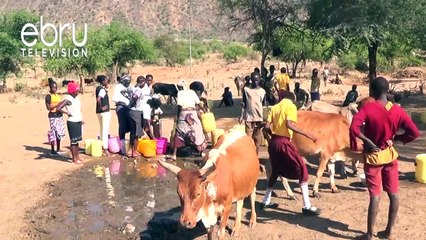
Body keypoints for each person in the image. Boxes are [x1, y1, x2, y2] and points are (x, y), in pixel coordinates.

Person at [350, 77, 419, 240]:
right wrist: (396, 139)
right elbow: (414, 133)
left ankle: (369, 235)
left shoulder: (368, 108)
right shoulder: (397, 110)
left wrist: (367, 141)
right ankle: (388, 231)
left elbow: (354, 128)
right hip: (390, 156)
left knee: (375, 195)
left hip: (374, 157)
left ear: (372, 91)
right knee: (393, 193)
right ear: (387, 90)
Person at [262, 91, 320, 216]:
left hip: (274, 143)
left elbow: (266, 126)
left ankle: (266, 201)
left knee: (275, 171)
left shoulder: (274, 108)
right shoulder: (291, 106)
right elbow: (289, 124)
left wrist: (272, 136)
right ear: (291, 99)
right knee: (302, 168)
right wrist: (307, 134)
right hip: (284, 142)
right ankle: (307, 206)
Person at [168, 80, 207, 160]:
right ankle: (201, 152)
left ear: (181, 87)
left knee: (179, 131)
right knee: (197, 130)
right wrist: (204, 110)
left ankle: (174, 154)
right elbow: (198, 103)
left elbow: (179, 106)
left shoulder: (180, 93)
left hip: (184, 112)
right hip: (193, 113)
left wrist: (179, 116)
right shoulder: (192, 92)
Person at [56, 82, 83, 165]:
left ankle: (77, 156)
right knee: (73, 141)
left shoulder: (76, 98)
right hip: (72, 122)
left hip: (78, 120)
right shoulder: (68, 99)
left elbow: (78, 110)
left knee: (77, 140)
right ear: (72, 91)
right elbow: (58, 108)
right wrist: (67, 112)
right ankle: (74, 158)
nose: (78, 91)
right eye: (77, 90)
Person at [239, 72, 266, 154]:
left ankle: (255, 157)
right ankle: (249, 157)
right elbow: (244, 103)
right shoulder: (246, 90)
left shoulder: (262, 91)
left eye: (257, 80)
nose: (255, 82)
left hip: (259, 119)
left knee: (257, 141)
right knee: (248, 141)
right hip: (249, 118)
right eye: (253, 80)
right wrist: (241, 115)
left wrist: (264, 119)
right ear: (251, 80)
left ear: (259, 80)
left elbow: (264, 105)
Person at [45, 78, 66, 156]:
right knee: (53, 133)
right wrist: (58, 104)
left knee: (59, 133)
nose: (55, 89)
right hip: (53, 116)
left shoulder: (57, 95)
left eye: (56, 87)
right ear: (50, 87)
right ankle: (52, 150)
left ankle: (58, 148)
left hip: (59, 115)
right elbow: (48, 107)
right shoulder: (48, 96)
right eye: (53, 87)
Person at [112, 75, 131, 155]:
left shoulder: (128, 87)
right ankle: (122, 148)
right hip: (121, 107)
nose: (128, 83)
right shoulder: (118, 87)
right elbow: (115, 98)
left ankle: (128, 147)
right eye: (127, 82)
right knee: (122, 126)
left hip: (128, 107)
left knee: (130, 126)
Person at [128, 76, 146, 158]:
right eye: (144, 83)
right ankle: (134, 151)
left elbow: (124, 92)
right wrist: (132, 103)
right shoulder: (138, 90)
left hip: (131, 111)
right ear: (142, 82)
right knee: (136, 132)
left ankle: (130, 150)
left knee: (132, 131)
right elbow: (135, 97)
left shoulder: (131, 87)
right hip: (136, 112)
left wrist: (129, 105)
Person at [95, 75, 111, 156]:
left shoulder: (98, 88)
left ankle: (101, 146)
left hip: (98, 112)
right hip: (104, 112)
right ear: (103, 81)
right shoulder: (102, 90)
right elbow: (99, 99)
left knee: (101, 129)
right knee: (105, 130)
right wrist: (102, 107)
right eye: (106, 80)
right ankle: (105, 148)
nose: (107, 82)